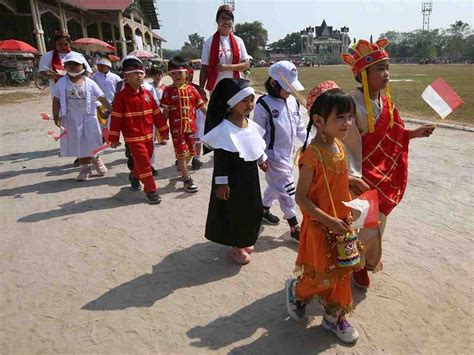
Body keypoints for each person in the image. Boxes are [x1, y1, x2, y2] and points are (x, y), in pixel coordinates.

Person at [341, 39, 435, 288]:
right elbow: (346, 146)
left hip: (383, 177)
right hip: (360, 178)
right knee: (363, 225)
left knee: (378, 224)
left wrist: (413, 133)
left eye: (387, 67)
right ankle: (356, 266)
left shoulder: (387, 102)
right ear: (363, 74)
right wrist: (351, 177)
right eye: (379, 69)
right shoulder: (350, 105)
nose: (386, 73)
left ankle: (365, 263)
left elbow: (395, 133)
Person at [285, 81, 367, 344]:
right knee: (321, 276)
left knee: (343, 273)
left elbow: (336, 180)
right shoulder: (312, 155)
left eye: (350, 116)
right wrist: (328, 220)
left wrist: (352, 183)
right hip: (321, 227)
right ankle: (297, 291)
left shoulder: (340, 147)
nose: (347, 123)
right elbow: (302, 198)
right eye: (340, 117)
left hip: (342, 225)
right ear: (319, 120)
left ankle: (334, 317)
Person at [201, 78, 268, 265]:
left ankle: (245, 240)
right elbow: (221, 160)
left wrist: (262, 160)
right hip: (232, 180)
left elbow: (253, 144)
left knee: (252, 208)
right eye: (244, 101)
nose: (250, 105)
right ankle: (236, 247)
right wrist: (222, 184)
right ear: (231, 104)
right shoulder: (224, 129)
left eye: (251, 100)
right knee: (236, 211)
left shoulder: (248, 123)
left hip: (249, 178)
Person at [253, 61, 308, 242]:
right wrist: (261, 156)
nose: (290, 91)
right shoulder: (264, 104)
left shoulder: (293, 102)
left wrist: (312, 143)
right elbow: (257, 134)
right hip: (273, 156)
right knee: (287, 189)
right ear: (274, 83)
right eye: (286, 87)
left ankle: (263, 209)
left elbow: (300, 127)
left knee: (276, 185)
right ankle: (294, 227)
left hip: (288, 154)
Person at [108, 55, 165, 204]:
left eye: (141, 72)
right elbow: (116, 119)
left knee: (145, 158)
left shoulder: (147, 94)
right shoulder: (121, 97)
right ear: (126, 76)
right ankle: (151, 190)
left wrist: (163, 131)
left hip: (148, 135)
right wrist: (113, 138)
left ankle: (134, 175)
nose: (139, 76)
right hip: (133, 137)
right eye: (135, 73)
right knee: (145, 162)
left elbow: (156, 113)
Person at [52, 52, 110, 181]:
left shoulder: (89, 82)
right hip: (71, 118)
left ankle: (97, 160)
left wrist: (113, 110)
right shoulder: (61, 83)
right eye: (69, 64)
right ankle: (85, 168)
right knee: (78, 143)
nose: (72, 66)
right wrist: (56, 116)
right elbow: (56, 100)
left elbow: (102, 98)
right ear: (65, 67)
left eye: (75, 64)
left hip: (89, 117)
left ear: (82, 66)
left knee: (93, 141)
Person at [159, 56, 207, 193]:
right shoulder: (168, 91)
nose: (177, 76)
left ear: (187, 73)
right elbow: (165, 112)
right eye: (173, 73)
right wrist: (163, 129)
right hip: (176, 130)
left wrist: (212, 120)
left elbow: (202, 107)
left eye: (180, 72)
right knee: (180, 153)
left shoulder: (192, 90)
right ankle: (187, 179)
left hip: (191, 128)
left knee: (191, 152)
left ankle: (182, 167)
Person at [199, 5, 250, 94]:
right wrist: (201, 89)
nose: (226, 22)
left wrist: (228, 67)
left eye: (229, 19)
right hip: (216, 87)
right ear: (217, 21)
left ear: (233, 22)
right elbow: (204, 69)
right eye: (222, 18)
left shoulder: (239, 41)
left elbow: (246, 65)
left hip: (235, 86)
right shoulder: (209, 42)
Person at [39, 31, 92, 95]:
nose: (63, 47)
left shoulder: (77, 56)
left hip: (79, 89)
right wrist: (58, 76)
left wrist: (81, 80)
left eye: (66, 44)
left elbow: (88, 71)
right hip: (58, 91)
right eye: (60, 44)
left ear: (69, 44)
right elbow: (43, 72)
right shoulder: (47, 56)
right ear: (55, 44)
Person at [186, 67, 207, 170]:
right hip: (185, 115)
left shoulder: (196, 88)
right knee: (186, 138)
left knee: (198, 138)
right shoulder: (175, 89)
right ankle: (184, 157)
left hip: (197, 114)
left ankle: (197, 158)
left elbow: (204, 101)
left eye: (190, 76)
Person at [150, 64, 169, 146]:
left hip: (161, 108)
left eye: (159, 74)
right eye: (155, 75)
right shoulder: (148, 86)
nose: (157, 77)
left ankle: (162, 137)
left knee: (162, 122)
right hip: (151, 108)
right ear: (151, 76)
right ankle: (152, 138)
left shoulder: (165, 87)